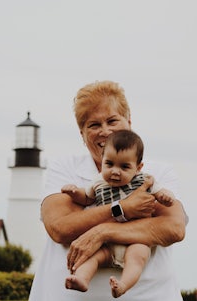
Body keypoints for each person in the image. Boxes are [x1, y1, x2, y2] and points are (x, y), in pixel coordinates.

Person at [29, 80, 187, 301]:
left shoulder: (155, 172)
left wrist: (102, 232)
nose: (105, 131)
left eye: (113, 120)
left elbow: (173, 228)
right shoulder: (65, 168)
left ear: (129, 122)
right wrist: (124, 209)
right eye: (93, 125)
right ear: (82, 135)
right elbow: (61, 227)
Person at [61, 129, 176, 298]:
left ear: (138, 168)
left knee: (137, 259)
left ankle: (123, 285)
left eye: (124, 166)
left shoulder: (144, 180)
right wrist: (73, 192)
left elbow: (161, 193)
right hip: (107, 243)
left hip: (136, 239)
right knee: (92, 258)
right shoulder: (98, 182)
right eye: (109, 164)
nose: (115, 171)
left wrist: (166, 197)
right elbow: (86, 197)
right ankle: (81, 279)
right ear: (102, 161)